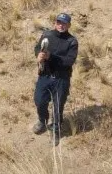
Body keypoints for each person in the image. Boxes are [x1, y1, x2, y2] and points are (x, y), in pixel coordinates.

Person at [33, 12, 78, 145]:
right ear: (55, 23)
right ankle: (42, 120)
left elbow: (69, 61)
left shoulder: (72, 41)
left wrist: (50, 57)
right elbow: (37, 47)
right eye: (59, 22)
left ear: (69, 25)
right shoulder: (47, 35)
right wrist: (38, 55)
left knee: (58, 106)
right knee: (39, 100)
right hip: (45, 75)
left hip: (61, 79)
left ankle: (55, 131)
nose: (61, 25)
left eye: (64, 23)